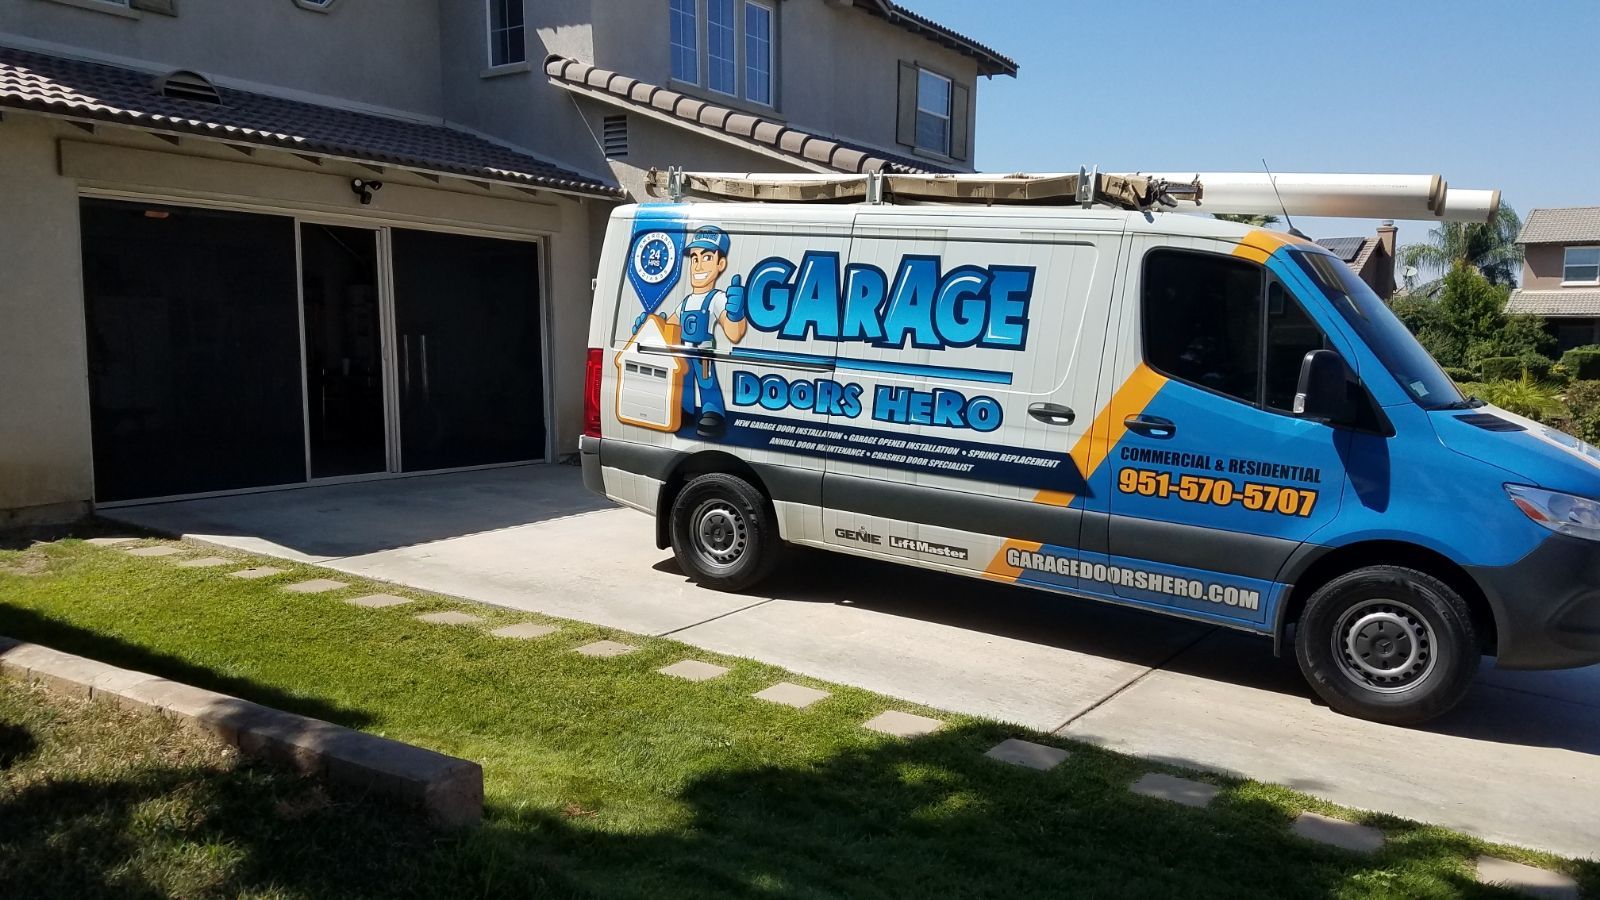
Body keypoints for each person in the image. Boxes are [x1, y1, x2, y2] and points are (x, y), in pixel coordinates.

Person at [633, 225, 747, 438]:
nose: (698, 265)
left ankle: (713, 412)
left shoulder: (717, 298)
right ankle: (684, 411)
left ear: (720, 264)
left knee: (707, 382)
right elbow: (670, 327)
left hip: (703, 352)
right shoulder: (685, 302)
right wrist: (648, 326)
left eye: (706, 258)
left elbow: (734, 333)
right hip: (682, 351)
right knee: (682, 381)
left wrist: (736, 314)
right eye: (694, 258)